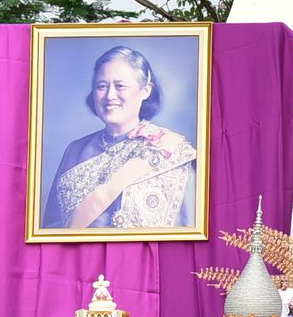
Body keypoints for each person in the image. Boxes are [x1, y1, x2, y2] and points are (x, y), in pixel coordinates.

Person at [43, 45, 199, 231]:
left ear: (146, 90)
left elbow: (191, 229)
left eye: (120, 86)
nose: (110, 96)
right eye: (101, 86)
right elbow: (52, 231)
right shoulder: (74, 151)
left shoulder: (171, 150)